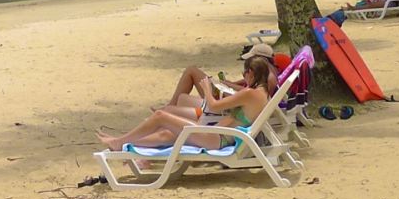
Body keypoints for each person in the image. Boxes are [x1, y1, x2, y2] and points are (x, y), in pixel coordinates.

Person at [99, 56, 275, 151]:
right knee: (167, 135)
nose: (244, 77)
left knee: (161, 115)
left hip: (216, 137)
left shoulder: (250, 93)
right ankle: (126, 145)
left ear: (251, 72)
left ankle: (119, 142)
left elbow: (213, 106)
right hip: (219, 136)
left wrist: (207, 88)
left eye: (244, 73)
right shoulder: (262, 94)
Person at [158, 42, 281, 115]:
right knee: (183, 98)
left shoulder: (268, 79)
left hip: (229, 105)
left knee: (191, 71)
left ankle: (168, 108)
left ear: (260, 59)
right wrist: (228, 83)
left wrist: (225, 86)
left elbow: (250, 94)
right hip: (233, 100)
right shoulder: (267, 72)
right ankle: (169, 108)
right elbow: (250, 86)